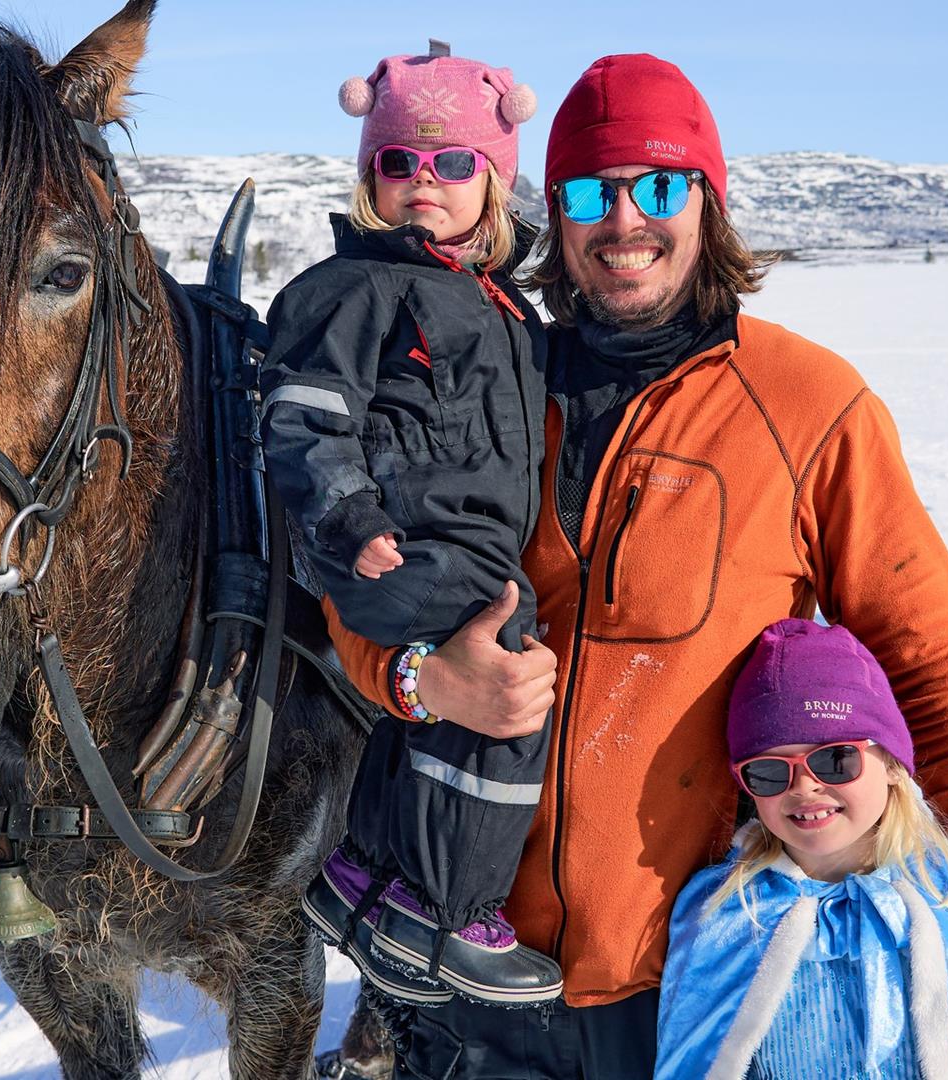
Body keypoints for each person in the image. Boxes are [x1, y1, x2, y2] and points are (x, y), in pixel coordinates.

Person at [324, 53, 948, 1079]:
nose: (624, 220)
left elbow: (927, 659)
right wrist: (423, 680)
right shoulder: (486, 375)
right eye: (590, 191)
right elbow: (359, 594)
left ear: (707, 204)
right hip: (462, 963)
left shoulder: (810, 407)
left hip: (688, 983)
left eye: (660, 186)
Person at [260, 40, 559, 1008]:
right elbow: (305, 416)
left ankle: (366, 875)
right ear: (369, 179)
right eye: (399, 162)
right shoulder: (356, 290)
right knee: (508, 665)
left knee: (465, 696)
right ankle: (449, 909)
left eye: (453, 163)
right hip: (393, 545)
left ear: (496, 183)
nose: (423, 182)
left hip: (462, 548)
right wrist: (348, 515)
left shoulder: (508, 311)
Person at [656, 619, 948, 1079]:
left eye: (835, 758)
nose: (805, 787)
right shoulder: (725, 912)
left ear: (890, 762)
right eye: (769, 771)